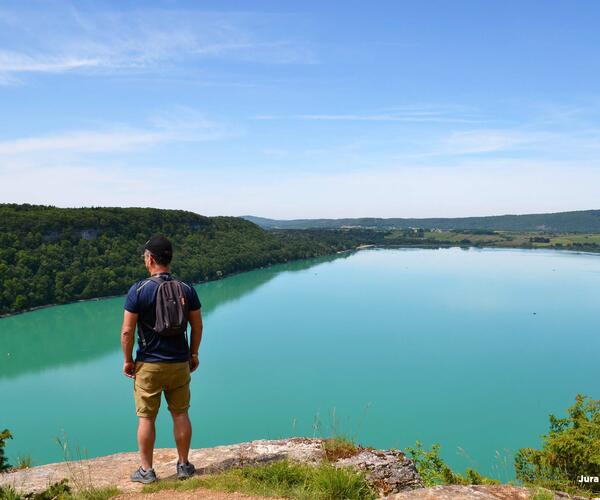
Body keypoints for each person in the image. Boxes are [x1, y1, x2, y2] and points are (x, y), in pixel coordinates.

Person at [120, 235, 203, 484]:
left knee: (146, 418)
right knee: (180, 414)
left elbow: (127, 331)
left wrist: (127, 360)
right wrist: (194, 354)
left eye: (145, 256)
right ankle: (184, 465)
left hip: (149, 365)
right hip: (179, 363)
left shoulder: (139, 290)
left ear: (151, 259)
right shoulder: (186, 289)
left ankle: (147, 471)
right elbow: (197, 326)